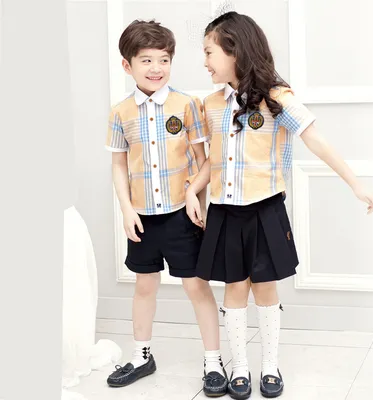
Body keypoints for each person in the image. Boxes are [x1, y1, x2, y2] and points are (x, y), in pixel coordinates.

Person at [185, 11, 373, 399]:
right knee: (234, 288)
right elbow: (215, 158)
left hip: (265, 209)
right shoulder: (210, 104)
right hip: (225, 210)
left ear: (234, 50)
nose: (204, 61)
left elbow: (315, 139)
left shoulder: (276, 98)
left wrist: (356, 183)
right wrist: (194, 190)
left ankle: (270, 365)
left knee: (265, 288)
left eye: (209, 52)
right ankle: (239, 367)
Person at [105, 19, 228, 397]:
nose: (156, 68)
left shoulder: (187, 105)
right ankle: (142, 357)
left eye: (163, 60)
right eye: (146, 60)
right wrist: (127, 210)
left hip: (181, 215)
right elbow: (119, 165)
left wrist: (197, 202)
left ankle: (213, 361)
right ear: (127, 65)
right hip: (142, 216)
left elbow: (204, 161)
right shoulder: (120, 112)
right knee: (144, 286)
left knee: (196, 286)